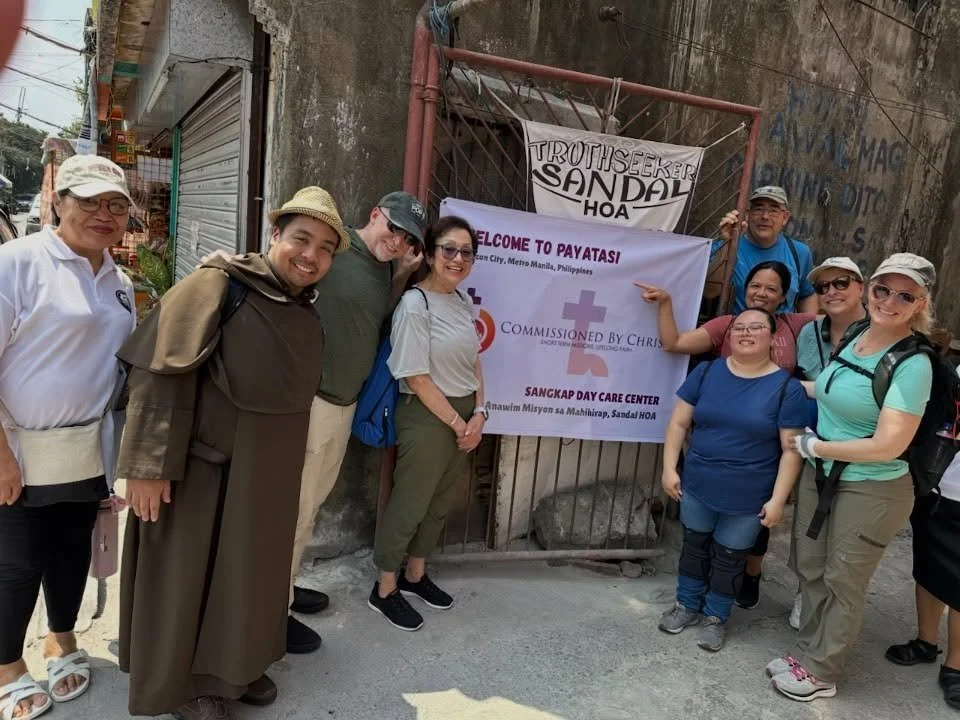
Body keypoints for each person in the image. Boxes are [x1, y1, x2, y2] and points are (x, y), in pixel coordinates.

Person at [116, 187, 347, 720]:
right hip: (201, 470)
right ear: (274, 236)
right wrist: (149, 466)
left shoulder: (300, 309)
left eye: (326, 248)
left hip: (264, 478)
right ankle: (183, 687)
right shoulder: (219, 283)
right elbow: (160, 371)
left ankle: (232, 669)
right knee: (187, 577)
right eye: (301, 239)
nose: (311, 255)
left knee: (248, 575)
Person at [0, 156, 135, 720]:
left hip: (86, 450)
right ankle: (8, 666)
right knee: (16, 562)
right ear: (58, 201)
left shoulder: (120, 280)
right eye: (89, 201)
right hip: (20, 450)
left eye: (116, 204)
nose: (103, 214)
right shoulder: (17, 262)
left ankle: (61, 638)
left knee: (70, 552)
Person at [768, 252, 936, 702]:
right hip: (824, 473)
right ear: (872, 290)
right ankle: (807, 652)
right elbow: (826, 388)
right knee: (813, 566)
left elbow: (889, 445)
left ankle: (823, 672)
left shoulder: (914, 363)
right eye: (884, 289)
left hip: (872, 484)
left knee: (844, 578)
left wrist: (815, 446)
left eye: (906, 295)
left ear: (920, 303)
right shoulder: (860, 334)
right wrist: (764, 380)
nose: (890, 300)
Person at [285, 192, 427, 653]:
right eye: (393, 228)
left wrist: (402, 274)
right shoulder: (333, 248)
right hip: (309, 403)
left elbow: (370, 318)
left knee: (309, 509)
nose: (397, 240)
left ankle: (282, 590)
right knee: (292, 512)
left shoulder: (384, 267)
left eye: (407, 239)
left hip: (343, 405)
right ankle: (269, 613)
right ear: (374, 215)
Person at [657, 308, 807, 651]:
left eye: (757, 327)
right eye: (739, 327)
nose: (746, 333)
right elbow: (679, 423)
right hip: (698, 483)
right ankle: (687, 605)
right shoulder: (707, 372)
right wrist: (669, 468)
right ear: (728, 335)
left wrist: (778, 499)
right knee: (693, 547)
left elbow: (791, 450)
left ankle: (716, 616)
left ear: (773, 337)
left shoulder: (787, 389)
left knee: (730, 557)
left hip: (748, 495)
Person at [368, 215, 486, 631]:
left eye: (466, 252)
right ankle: (384, 587)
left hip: (463, 415)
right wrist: (458, 423)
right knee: (411, 502)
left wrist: (480, 413)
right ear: (432, 254)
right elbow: (415, 376)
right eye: (449, 249)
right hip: (426, 412)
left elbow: (474, 361)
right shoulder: (414, 305)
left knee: (438, 503)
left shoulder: (463, 302)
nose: (458, 258)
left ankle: (415, 575)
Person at [786, 257, 867, 628]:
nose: (831, 292)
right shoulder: (809, 332)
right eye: (822, 287)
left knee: (846, 527)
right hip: (811, 438)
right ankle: (806, 591)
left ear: (861, 287)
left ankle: (836, 606)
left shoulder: (877, 333)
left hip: (859, 444)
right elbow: (800, 376)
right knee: (807, 519)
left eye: (841, 283)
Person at [885, 369, 960, 712]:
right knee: (929, 566)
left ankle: (957, 666)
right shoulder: (955, 370)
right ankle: (926, 641)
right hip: (937, 483)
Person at [713, 186, 818, 314]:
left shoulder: (799, 252)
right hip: (738, 330)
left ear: (785, 217)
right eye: (758, 209)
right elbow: (709, 292)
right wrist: (726, 243)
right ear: (748, 214)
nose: (765, 216)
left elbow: (806, 294)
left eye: (773, 210)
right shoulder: (726, 246)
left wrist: (808, 330)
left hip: (782, 332)